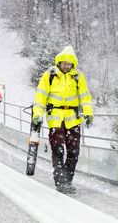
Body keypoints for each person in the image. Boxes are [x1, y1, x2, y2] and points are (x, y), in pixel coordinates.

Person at [32, 46, 94, 194]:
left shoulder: (78, 76)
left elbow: (85, 96)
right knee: (58, 150)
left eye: (69, 63)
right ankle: (61, 182)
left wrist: (88, 113)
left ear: (73, 64)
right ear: (59, 62)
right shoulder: (50, 75)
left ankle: (67, 180)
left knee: (74, 151)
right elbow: (40, 96)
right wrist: (37, 113)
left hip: (73, 118)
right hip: (55, 118)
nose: (66, 66)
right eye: (64, 63)